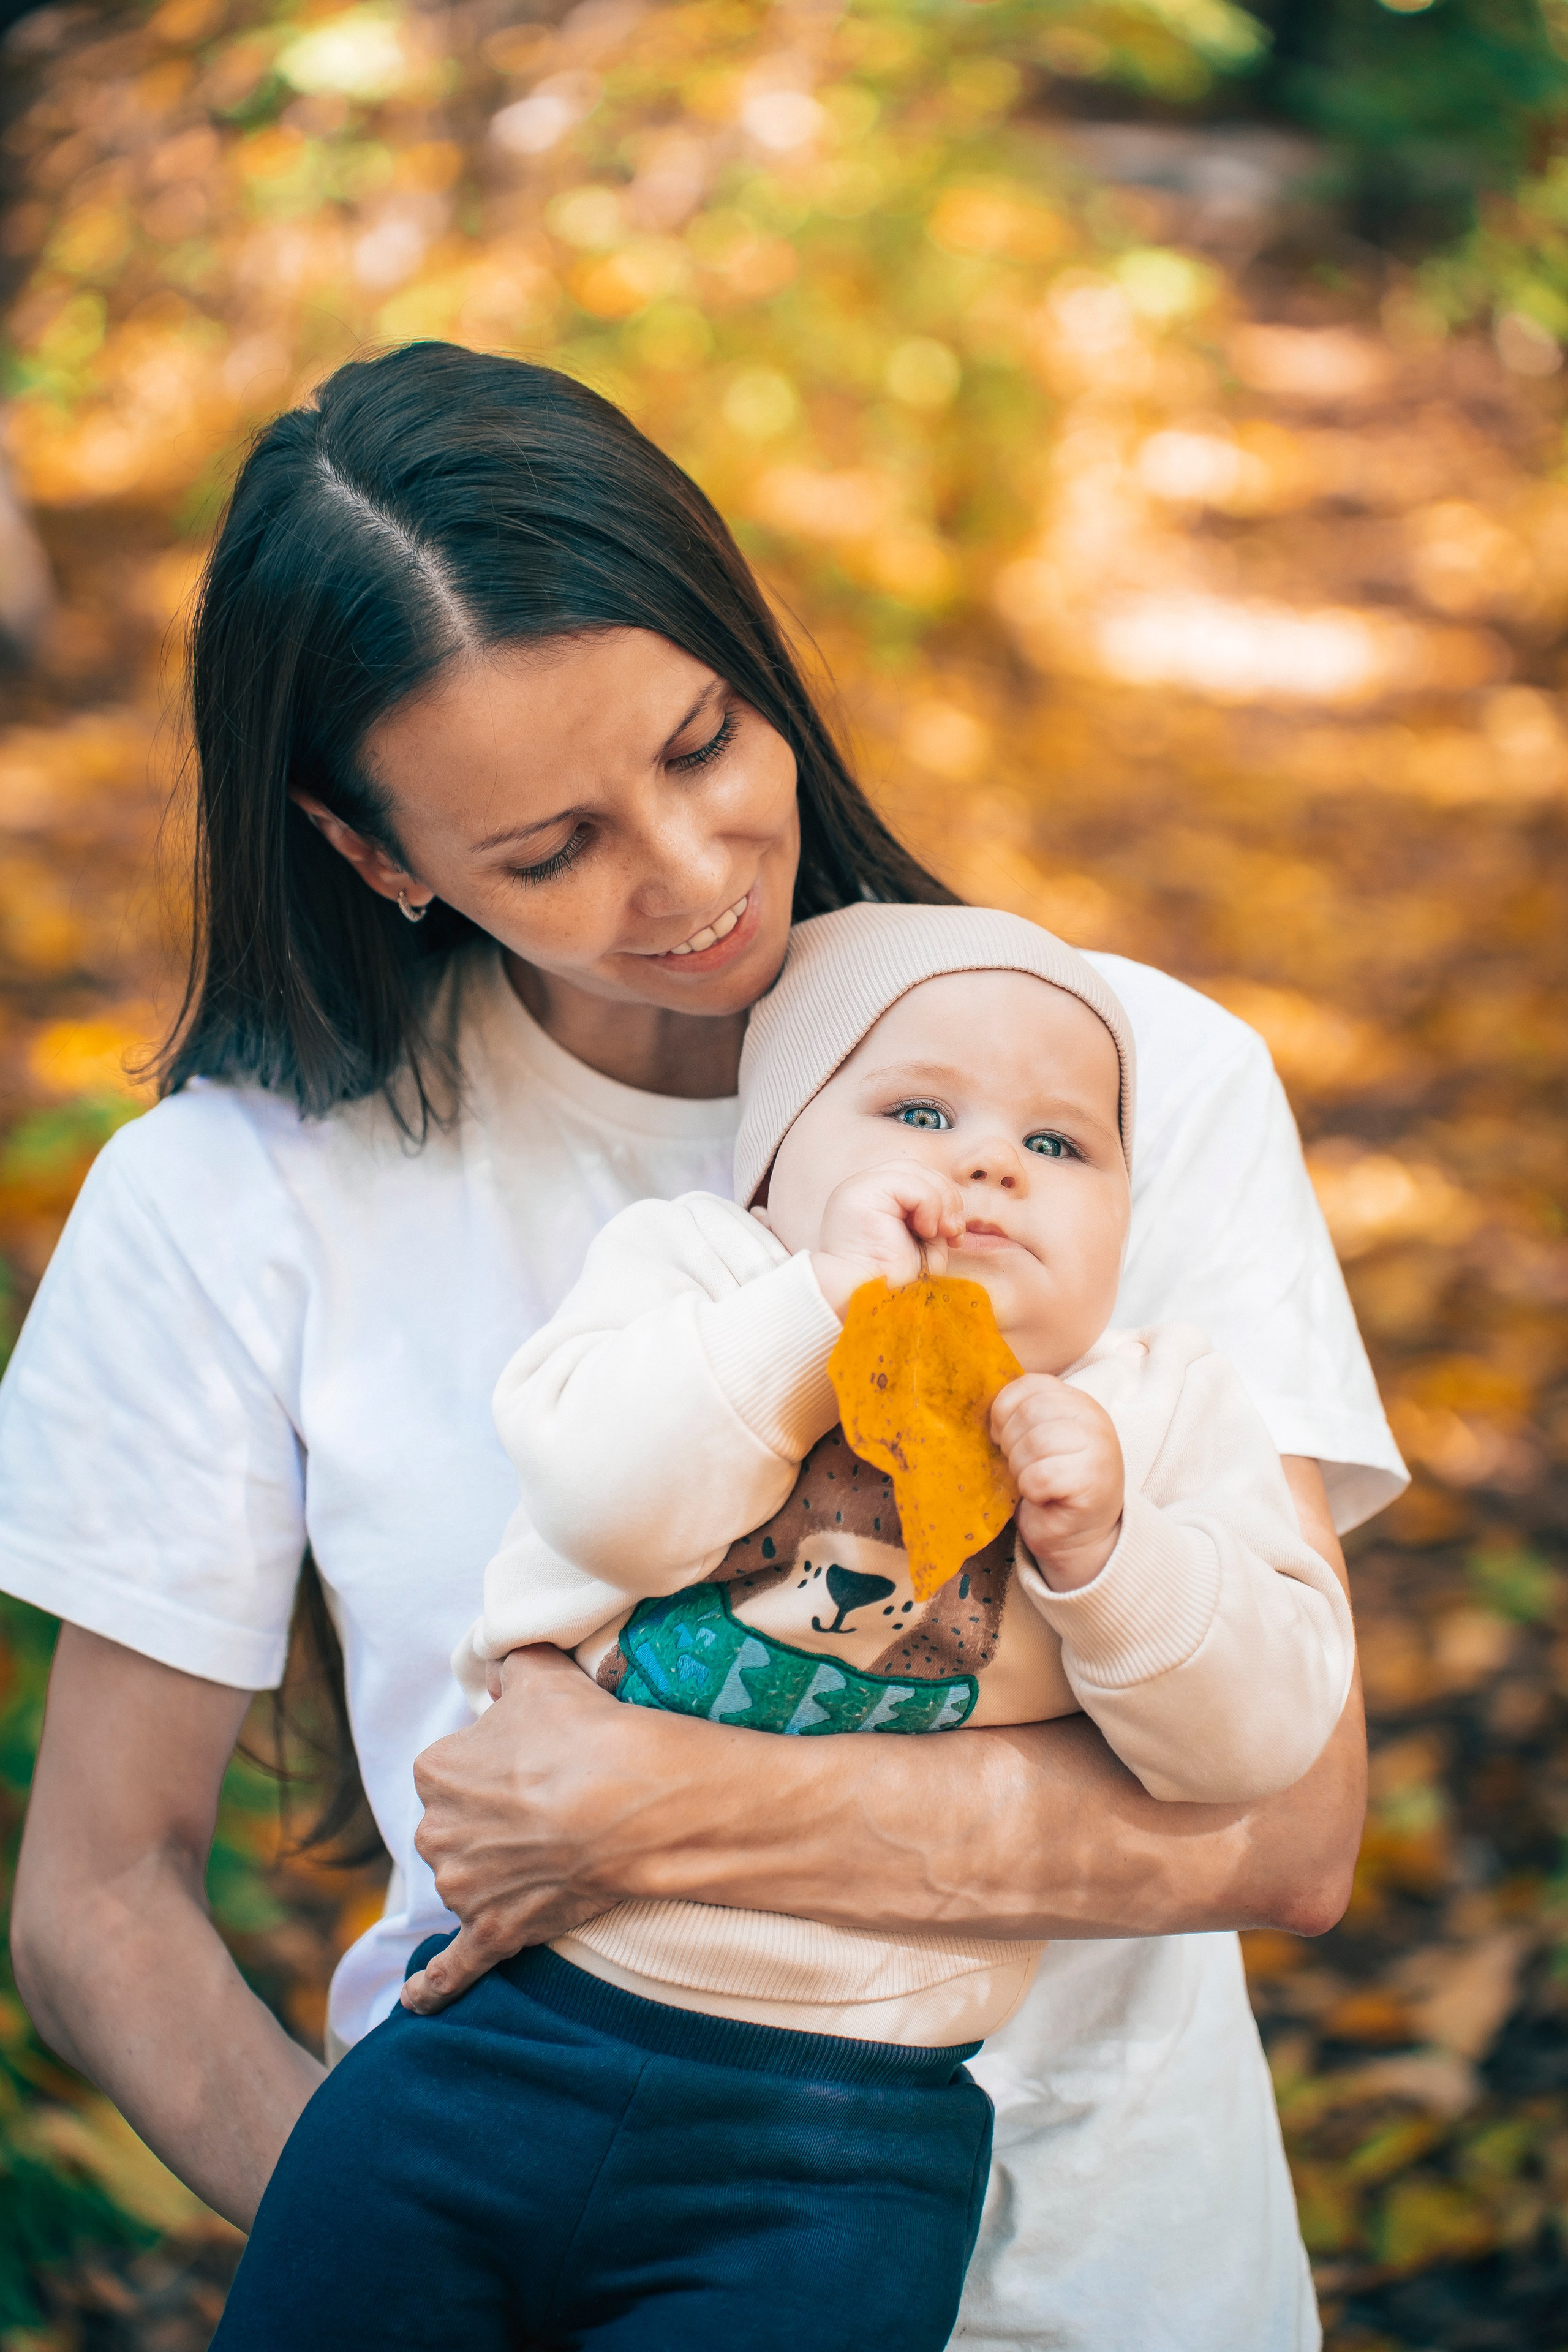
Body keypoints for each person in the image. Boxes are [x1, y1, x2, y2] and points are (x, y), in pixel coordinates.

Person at [0, 342, 1403, 2351]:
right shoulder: (232, 1205)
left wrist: (653, 1811)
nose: (689, 878)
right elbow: (101, 1898)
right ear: (379, 853)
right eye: (547, 850)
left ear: (754, 652)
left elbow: (1295, 1828)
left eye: (704, 739)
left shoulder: (1115, 1084)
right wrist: (400, 2244)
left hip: (1108, 2288)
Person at [211, 905, 1359, 2350]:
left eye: (1061, 1145)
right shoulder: (697, 1285)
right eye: (920, 1113)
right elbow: (602, 1505)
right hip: (500, 2037)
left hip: (843, 2142)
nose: (990, 1162)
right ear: (770, 1169)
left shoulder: (1156, 1412)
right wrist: (818, 1308)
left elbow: (1250, 1746)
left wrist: (1111, 1554)